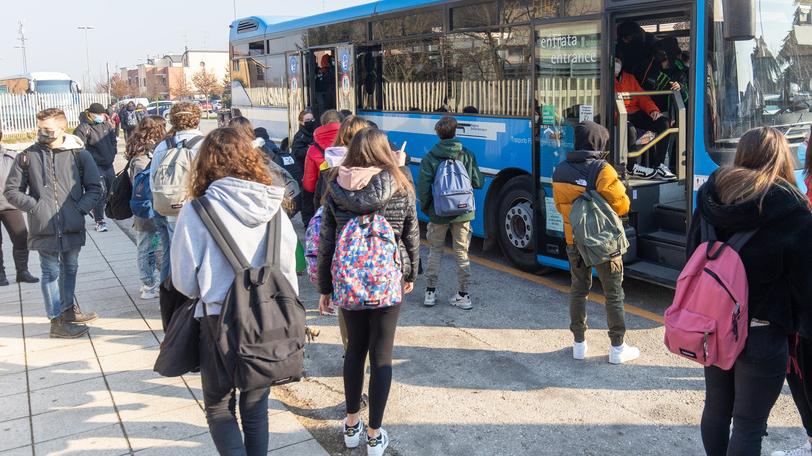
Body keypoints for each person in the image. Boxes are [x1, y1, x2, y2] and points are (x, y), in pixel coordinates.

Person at [171, 127, 298, 455]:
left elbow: (184, 282)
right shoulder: (274, 208)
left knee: (218, 407)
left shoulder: (196, 210)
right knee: (256, 408)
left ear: (205, 163)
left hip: (217, 322)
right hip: (265, 323)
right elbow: (287, 273)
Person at [686, 127, 812, 456]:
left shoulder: (711, 198)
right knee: (748, 424)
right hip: (762, 334)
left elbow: (692, 258)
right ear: (783, 158)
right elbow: (805, 288)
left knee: (715, 409)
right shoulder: (793, 213)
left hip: (713, 328)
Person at [316, 127, 419, 456]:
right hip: (387, 278)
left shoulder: (334, 185)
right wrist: (409, 271)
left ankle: (350, 426)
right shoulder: (400, 182)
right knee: (382, 356)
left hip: (349, 280)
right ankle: (374, 436)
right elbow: (411, 233)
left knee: (355, 351)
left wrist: (325, 287)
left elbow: (327, 241)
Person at [3, 108, 103, 338]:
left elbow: (95, 188)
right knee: (50, 272)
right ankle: (56, 321)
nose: (42, 133)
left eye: (47, 129)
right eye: (39, 128)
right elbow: (11, 191)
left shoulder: (80, 155)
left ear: (61, 128)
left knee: (70, 268)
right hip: (44, 226)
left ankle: (68, 311)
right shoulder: (27, 156)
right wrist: (36, 207)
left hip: (71, 223)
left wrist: (79, 209)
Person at [551, 121, 639, 364]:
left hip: (574, 240)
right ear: (599, 143)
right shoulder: (603, 170)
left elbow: (560, 207)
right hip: (603, 244)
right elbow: (622, 205)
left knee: (579, 290)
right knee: (613, 293)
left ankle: (579, 345)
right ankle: (617, 348)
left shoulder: (559, 170)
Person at [417, 116, 483, 310]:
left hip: (438, 212)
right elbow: (478, 182)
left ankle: (430, 292)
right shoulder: (467, 154)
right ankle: (463, 295)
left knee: (435, 250)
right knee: (462, 252)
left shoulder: (431, 156)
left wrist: (428, 208)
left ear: (438, 133)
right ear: (455, 132)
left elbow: (423, 186)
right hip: (463, 213)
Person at [126, 116, 168, 300]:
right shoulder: (142, 157)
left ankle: (151, 281)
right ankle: (148, 284)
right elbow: (143, 184)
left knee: (150, 244)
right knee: (146, 246)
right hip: (146, 208)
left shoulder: (141, 152)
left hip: (147, 207)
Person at [615, 55, 673, 180]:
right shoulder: (606, 80)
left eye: (618, 61)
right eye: (614, 61)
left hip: (635, 112)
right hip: (618, 114)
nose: (616, 64)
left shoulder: (629, 78)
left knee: (663, 124)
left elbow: (642, 97)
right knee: (630, 130)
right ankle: (632, 167)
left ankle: (659, 164)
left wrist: (653, 110)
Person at [150, 101, 203, 236]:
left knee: (178, 251)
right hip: (201, 210)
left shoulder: (162, 147)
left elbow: (153, 179)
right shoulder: (206, 144)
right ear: (197, 119)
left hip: (173, 209)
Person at [0, 129, 38, 286]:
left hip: (9, 205)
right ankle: (0, 274)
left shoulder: (11, 155)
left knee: (22, 237)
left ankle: (22, 271)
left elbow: (22, 178)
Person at [74, 103, 118, 233]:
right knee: (100, 191)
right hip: (93, 165)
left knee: (111, 189)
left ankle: (95, 207)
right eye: (98, 114)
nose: (100, 117)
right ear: (90, 114)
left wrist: (113, 152)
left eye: (102, 114)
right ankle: (100, 220)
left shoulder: (106, 125)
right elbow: (78, 148)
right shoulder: (83, 128)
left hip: (108, 163)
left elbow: (113, 141)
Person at [302, 109, 343, 225]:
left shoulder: (313, 149)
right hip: (348, 197)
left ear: (323, 124)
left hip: (324, 197)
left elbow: (309, 184)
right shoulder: (351, 141)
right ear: (341, 122)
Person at [291, 110, 316, 178]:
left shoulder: (316, 131)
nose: (310, 122)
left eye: (312, 119)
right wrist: (310, 148)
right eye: (307, 120)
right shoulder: (300, 136)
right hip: (303, 168)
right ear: (301, 122)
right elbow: (296, 153)